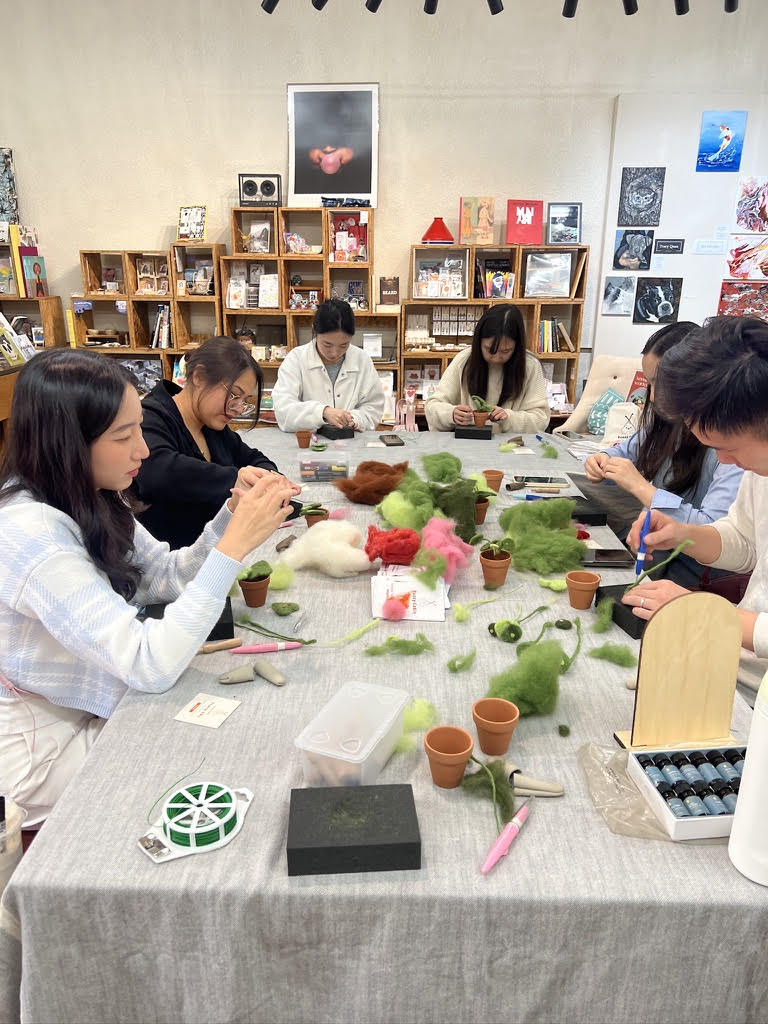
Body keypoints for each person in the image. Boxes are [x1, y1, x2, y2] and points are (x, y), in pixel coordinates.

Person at [0, 349, 293, 823]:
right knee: (218, 760)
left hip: (95, 704)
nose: (142, 449)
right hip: (42, 751)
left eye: (140, 427)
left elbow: (164, 576)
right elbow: (148, 663)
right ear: (68, 441)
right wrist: (232, 550)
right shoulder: (30, 536)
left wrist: (228, 520)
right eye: (124, 435)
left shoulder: (91, 493)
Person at [621, 316, 768, 692]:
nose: (725, 461)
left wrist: (703, 613)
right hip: (733, 664)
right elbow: (747, 542)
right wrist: (684, 534)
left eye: (727, 448)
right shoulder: (759, 468)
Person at [582, 322, 743, 585]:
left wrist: (641, 487)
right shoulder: (664, 426)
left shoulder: (732, 446)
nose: (654, 397)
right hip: (662, 553)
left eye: (661, 383)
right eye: (650, 384)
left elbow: (718, 532)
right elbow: (621, 453)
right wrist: (603, 461)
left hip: (698, 572)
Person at [132, 336, 300, 549]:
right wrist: (239, 479)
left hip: (215, 550)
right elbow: (159, 472)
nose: (238, 409)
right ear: (199, 377)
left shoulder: (212, 425)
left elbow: (252, 457)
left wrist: (271, 478)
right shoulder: (149, 417)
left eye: (245, 401)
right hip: (170, 564)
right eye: (234, 395)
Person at [424, 303, 549, 434]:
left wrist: (510, 419)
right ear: (479, 342)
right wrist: (451, 414)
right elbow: (433, 406)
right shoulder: (464, 360)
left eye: (506, 351)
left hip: (511, 448)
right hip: (466, 444)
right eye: (489, 349)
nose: (496, 358)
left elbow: (541, 418)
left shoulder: (529, 366)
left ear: (517, 346)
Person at [272, 298, 384, 432]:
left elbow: (374, 407)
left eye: (344, 345)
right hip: (308, 447)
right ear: (314, 330)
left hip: (351, 446)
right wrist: (322, 412)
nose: (334, 353)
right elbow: (283, 410)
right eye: (327, 344)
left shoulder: (362, 359)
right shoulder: (296, 359)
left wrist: (355, 419)